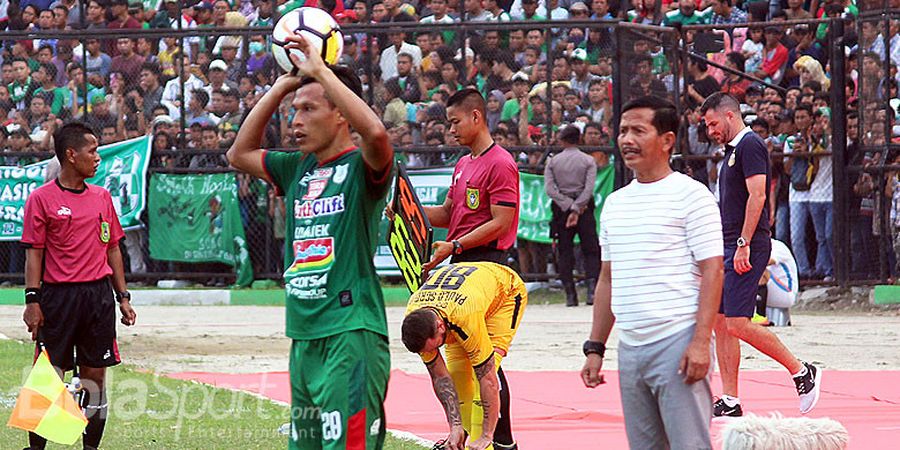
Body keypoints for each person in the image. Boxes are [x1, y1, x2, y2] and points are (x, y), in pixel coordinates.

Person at [226, 32, 394, 449]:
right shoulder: (296, 168)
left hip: (351, 333)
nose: (294, 121)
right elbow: (239, 153)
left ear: (340, 116)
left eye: (307, 109)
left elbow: (375, 134)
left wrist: (320, 70)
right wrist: (284, 84)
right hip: (303, 336)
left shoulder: (361, 167)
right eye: (293, 111)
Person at [581, 96, 723, 450]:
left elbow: (713, 271)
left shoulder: (693, 196)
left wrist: (701, 342)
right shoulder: (615, 203)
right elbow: (607, 279)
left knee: (689, 445)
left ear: (667, 140)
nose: (627, 139)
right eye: (623, 130)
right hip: (630, 348)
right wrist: (595, 347)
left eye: (638, 131)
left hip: (677, 341)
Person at [700, 92, 821, 417]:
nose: (710, 130)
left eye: (712, 123)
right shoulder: (731, 152)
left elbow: (758, 196)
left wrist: (744, 243)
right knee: (721, 322)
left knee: (738, 322)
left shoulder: (750, 145)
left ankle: (802, 371)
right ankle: (730, 399)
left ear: (729, 115)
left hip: (745, 244)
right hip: (729, 243)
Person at [21, 122, 137, 450]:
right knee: (47, 379)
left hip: (97, 298)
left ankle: (89, 448)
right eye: (93, 151)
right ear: (71, 155)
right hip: (57, 299)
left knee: (95, 379)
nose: (98, 157)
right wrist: (33, 301)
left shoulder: (102, 198)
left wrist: (123, 297)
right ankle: (37, 448)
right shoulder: (41, 200)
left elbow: (113, 248)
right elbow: (35, 255)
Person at [402, 262, 527, 450]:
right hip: (461, 299)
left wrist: (486, 435)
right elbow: (440, 377)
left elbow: (489, 379)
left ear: (440, 327)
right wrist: (455, 427)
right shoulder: (415, 317)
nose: (433, 351)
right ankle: (462, 437)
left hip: (505, 294)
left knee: (482, 375)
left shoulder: (465, 316)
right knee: (457, 373)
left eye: (437, 345)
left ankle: (489, 443)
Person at [421, 88, 519, 272]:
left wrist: (456, 245)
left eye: (456, 122)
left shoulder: (500, 163)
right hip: (460, 257)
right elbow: (448, 214)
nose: (451, 130)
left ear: (475, 117)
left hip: (487, 262)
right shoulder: (463, 163)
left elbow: (502, 223)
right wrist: (406, 209)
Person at [544, 125, 599, 307]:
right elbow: (589, 187)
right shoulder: (588, 160)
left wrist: (568, 206)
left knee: (564, 250)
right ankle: (591, 291)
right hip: (583, 207)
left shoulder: (553, 162)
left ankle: (570, 294)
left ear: (562, 140)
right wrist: (577, 207)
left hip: (561, 208)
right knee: (590, 248)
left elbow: (550, 189)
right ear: (580, 138)